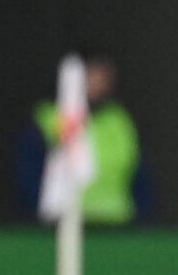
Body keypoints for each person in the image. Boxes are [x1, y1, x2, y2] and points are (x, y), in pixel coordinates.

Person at [15, 51, 153, 224]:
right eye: (92, 74)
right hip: (61, 225)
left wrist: (144, 220)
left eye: (104, 76)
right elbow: (29, 172)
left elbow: (139, 173)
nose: (98, 82)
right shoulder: (48, 117)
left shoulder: (119, 120)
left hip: (117, 225)